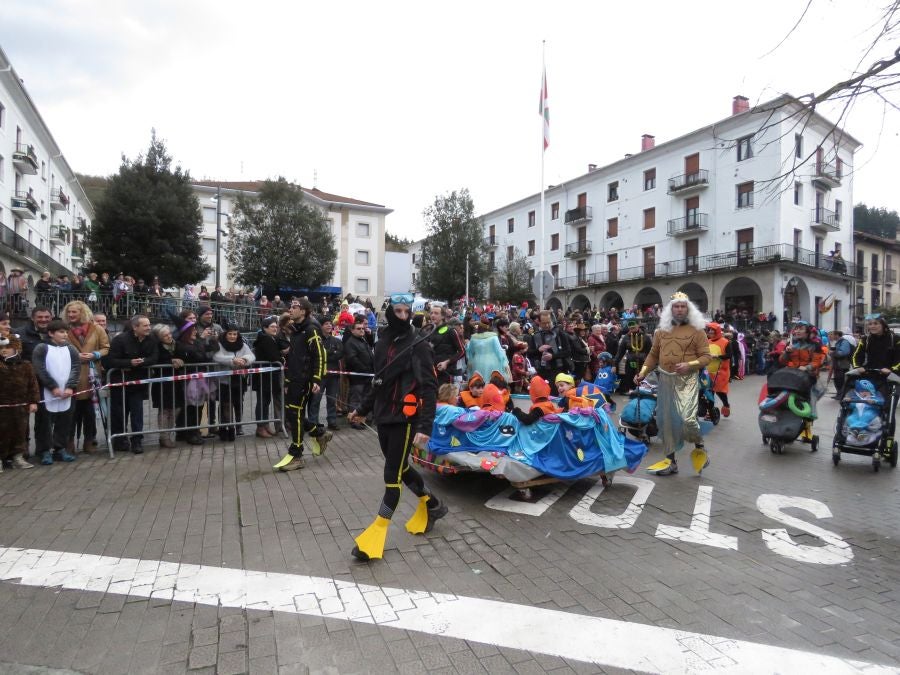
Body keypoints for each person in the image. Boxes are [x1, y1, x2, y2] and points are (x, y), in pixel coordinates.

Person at [347, 293, 446, 561]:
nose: (402, 316)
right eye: (398, 311)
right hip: (383, 416)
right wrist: (362, 410)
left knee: (392, 476)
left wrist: (425, 425)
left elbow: (429, 386)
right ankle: (433, 505)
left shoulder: (419, 343)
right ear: (390, 311)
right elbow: (379, 382)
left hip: (406, 418)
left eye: (406, 311)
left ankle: (377, 532)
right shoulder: (382, 341)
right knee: (401, 469)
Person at [635, 292, 711, 476]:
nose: (679, 309)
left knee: (687, 419)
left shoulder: (697, 331)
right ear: (670, 309)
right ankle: (671, 461)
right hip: (665, 379)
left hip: (687, 381)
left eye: (682, 306)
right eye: (676, 306)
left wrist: (689, 364)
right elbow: (653, 355)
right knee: (666, 421)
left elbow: (706, 357)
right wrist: (643, 373)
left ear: (688, 309)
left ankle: (699, 446)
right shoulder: (661, 331)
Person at [274, 299, 331, 471]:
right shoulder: (296, 331)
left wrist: (316, 379)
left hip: (305, 381)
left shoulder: (311, 330)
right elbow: (293, 358)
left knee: (296, 414)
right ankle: (319, 433)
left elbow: (320, 356)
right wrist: (287, 380)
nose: (291, 309)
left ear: (304, 311)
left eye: (295, 307)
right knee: (293, 414)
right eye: (290, 306)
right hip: (294, 379)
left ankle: (297, 455)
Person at [104, 315, 158, 454]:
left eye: (149, 325)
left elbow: (154, 357)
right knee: (119, 413)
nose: (148, 328)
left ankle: (137, 440)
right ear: (135, 327)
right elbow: (110, 360)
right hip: (120, 382)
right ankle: (120, 440)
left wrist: (143, 361)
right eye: (145, 325)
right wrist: (129, 363)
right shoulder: (120, 340)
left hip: (138, 384)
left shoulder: (151, 339)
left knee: (137, 412)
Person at [32, 319, 81, 465]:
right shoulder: (41, 348)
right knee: (44, 422)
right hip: (47, 392)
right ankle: (44, 450)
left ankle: (60, 449)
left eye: (66, 332)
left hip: (66, 392)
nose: (65, 335)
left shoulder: (71, 349)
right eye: (61, 332)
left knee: (65, 421)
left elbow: (76, 368)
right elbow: (40, 370)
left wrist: (70, 387)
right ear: (51, 333)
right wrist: (52, 387)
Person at [64, 300, 109, 454]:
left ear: (82, 312)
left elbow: (105, 348)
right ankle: (68, 442)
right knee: (71, 413)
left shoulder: (96, 329)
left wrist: (94, 354)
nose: (70, 315)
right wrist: (75, 356)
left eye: (74, 312)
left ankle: (89, 441)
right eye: (69, 312)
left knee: (89, 413)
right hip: (71, 375)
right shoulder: (65, 329)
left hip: (91, 377)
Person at [0, 333, 39, 471]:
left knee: (20, 431)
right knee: (2, 431)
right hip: (2, 407)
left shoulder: (25, 365)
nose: (4, 350)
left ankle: (18, 456)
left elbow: (32, 385)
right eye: (1, 348)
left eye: (8, 347)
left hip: (21, 406)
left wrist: (33, 401)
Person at [213, 323, 255, 441]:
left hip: (238, 379)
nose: (232, 336)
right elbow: (216, 357)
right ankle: (225, 428)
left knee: (238, 402)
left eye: (235, 334)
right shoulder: (220, 344)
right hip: (224, 380)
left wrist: (245, 359)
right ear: (226, 334)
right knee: (225, 404)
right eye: (230, 334)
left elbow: (251, 355)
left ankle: (237, 425)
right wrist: (232, 360)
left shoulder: (242, 345)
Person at [849, 314, 900, 403]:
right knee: (864, 404)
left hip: (890, 377)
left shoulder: (895, 339)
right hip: (869, 375)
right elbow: (855, 356)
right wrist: (857, 367)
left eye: (876, 324)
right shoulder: (865, 339)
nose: (872, 326)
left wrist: (891, 369)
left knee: (887, 407)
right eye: (870, 324)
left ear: (883, 325)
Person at [150, 324, 182, 448]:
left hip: (177, 381)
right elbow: (154, 360)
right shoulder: (156, 347)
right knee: (164, 410)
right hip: (163, 382)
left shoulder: (177, 344)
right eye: (165, 335)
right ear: (159, 337)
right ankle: (164, 437)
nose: (169, 336)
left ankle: (168, 432)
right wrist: (170, 362)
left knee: (176, 408)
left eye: (169, 333)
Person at [253, 316, 284, 438]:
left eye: (276, 326)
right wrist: (281, 358)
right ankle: (261, 427)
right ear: (265, 328)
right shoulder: (266, 339)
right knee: (262, 402)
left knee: (266, 401)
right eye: (272, 326)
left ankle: (265, 425)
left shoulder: (270, 338)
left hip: (268, 376)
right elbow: (274, 356)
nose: (275, 328)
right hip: (264, 376)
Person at [343, 317, 374, 430]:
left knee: (366, 398)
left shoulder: (363, 340)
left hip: (367, 376)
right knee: (356, 399)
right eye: (359, 328)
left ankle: (363, 420)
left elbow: (370, 353)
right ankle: (354, 421)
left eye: (362, 328)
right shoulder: (350, 343)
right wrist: (365, 369)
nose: (362, 330)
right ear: (352, 330)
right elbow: (352, 360)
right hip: (358, 376)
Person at [527, 311, 571, 384]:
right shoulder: (535, 336)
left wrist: (553, 356)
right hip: (543, 373)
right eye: (544, 323)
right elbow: (529, 354)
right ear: (539, 322)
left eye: (548, 322)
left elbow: (568, 351)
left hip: (560, 371)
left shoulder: (560, 333)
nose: (547, 325)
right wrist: (538, 350)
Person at [427, 304, 466, 386]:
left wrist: (447, 362)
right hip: (431, 373)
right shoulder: (428, 331)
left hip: (446, 374)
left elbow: (462, 351)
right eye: (431, 313)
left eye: (436, 313)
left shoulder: (451, 331)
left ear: (442, 316)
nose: (433, 315)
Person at [705, 323, 732, 417]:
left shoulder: (725, 342)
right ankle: (710, 412)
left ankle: (726, 405)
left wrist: (717, 356)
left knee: (720, 391)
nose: (711, 332)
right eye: (709, 330)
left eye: (713, 330)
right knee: (709, 392)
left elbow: (729, 355)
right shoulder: (707, 342)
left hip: (721, 372)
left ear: (717, 331)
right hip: (708, 371)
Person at [616, 321, 652, 394]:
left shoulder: (646, 337)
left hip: (643, 362)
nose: (632, 329)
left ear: (638, 326)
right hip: (630, 361)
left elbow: (650, 352)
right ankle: (631, 392)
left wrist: (649, 363)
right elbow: (620, 352)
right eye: (630, 328)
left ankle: (642, 392)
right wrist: (614, 364)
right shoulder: (626, 337)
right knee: (630, 377)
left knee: (641, 377)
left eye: (633, 327)